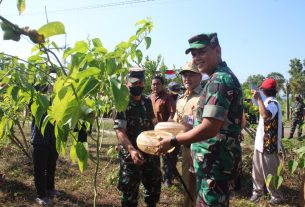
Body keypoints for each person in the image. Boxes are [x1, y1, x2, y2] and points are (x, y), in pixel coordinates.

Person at [156, 33, 244, 206]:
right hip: (211, 164)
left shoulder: (219, 81)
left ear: (217, 50)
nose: (196, 58)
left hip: (215, 165)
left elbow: (209, 128)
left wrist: (173, 141)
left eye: (201, 52)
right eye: (193, 54)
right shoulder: (217, 78)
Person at [114, 67, 162, 207]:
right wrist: (132, 150)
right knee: (129, 192)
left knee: (153, 188)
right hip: (131, 154)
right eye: (134, 83)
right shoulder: (122, 102)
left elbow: (153, 123)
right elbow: (120, 131)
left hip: (150, 152)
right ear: (126, 82)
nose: (138, 86)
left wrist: (160, 138)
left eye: (140, 82)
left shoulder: (147, 101)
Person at [174, 61, 203, 207]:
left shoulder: (204, 96)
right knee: (187, 185)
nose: (187, 78)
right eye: (184, 75)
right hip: (186, 148)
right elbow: (176, 122)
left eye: (191, 74)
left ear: (200, 76)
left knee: (203, 188)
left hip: (202, 149)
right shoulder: (181, 99)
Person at [250, 78, 283, 205]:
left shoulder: (273, 103)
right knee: (257, 170)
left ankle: (276, 196)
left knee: (271, 172)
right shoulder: (267, 101)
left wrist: (258, 98)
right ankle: (257, 192)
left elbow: (265, 116)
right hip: (261, 144)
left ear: (263, 90)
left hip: (270, 146)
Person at [150, 76, 176, 187]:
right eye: (154, 84)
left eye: (158, 84)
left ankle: (168, 178)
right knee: (154, 153)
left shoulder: (168, 97)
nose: (155, 86)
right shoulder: (149, 97)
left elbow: (172, 113)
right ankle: (156, 175)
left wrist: (167, 127)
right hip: (152, 131)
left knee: (167, 155)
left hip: (165, 132)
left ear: (162, 85)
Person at [31, 113, 60, 206]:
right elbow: (32, 107)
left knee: (51, 165)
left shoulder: (56, 98)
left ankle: (50, 188)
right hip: (40, 139)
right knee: (40, 169)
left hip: (53, 139)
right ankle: (41, 195)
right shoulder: (36, 98)